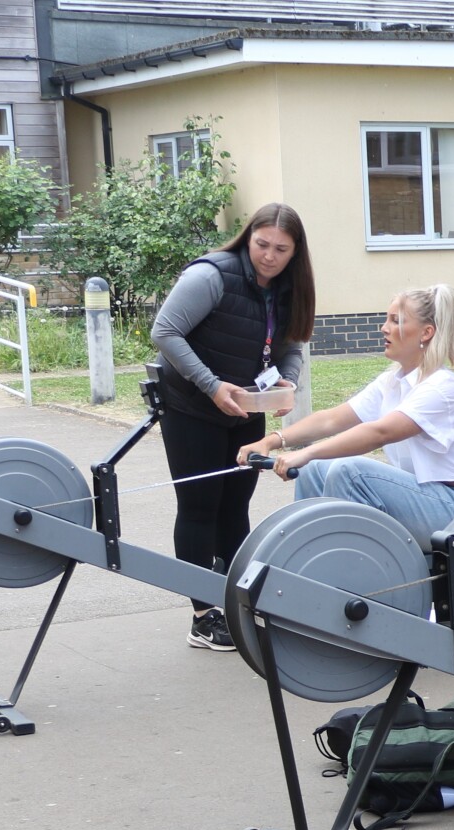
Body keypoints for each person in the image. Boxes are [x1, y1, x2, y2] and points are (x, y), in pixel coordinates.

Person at [151, 202, 314, 650]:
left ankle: (236, 602)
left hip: (245, 407)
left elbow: (290, 346)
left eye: (281, 249)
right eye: (262, 244)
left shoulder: (288, 287)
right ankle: (203, 617)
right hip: (191, 407)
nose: (269, 256)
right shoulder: (211, 276)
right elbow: (165, 332)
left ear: (295, 252)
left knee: (235, 507)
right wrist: (210, 385)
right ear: (248, 239)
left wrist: (287, 380)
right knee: (199, 507)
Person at [238, 285, 454, 552]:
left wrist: (306, 452)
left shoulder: (440, 387)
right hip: (427, 497)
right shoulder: (394, 381)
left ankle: (346, 564)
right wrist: (271, 441)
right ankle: (309, 556)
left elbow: (379, 433)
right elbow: (331, 420)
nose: (384, 328)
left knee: (350, 472)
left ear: (426, 333)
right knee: (312, 470)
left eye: (396, 321)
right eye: (387, 319)